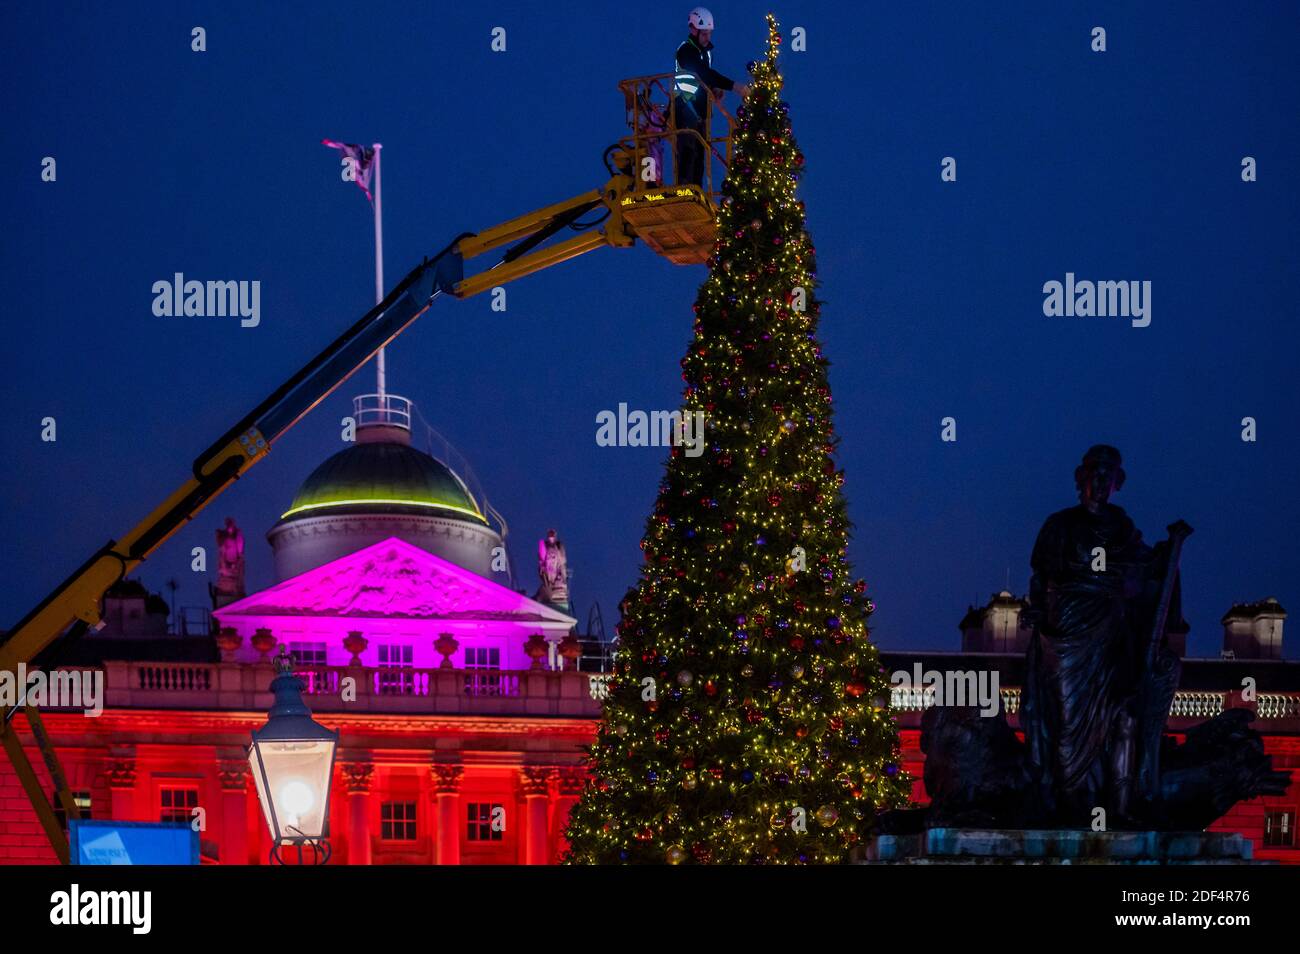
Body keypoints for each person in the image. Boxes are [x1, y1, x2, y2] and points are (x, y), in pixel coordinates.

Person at [674, 7, 748, 187]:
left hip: (700, 111)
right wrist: (735, 87)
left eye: (709, 33)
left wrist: (714, 89)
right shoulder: (685, 51)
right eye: (704, 33)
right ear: (693, 29)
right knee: (688, 149)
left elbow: (704, 78)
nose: (708, 38)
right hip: (685, 107)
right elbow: (703, 73)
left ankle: (696, 190)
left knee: (700, 153)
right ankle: (685, 189)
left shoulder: (705, 53)